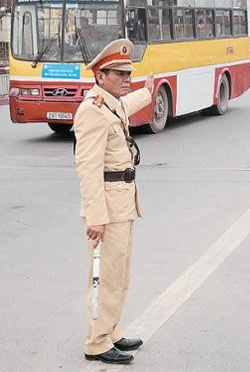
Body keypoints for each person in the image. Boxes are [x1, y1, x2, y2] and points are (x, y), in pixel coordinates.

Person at [74, 39, 154, 364]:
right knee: (104, 277)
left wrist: (148, 91)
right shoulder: (92, 111)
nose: (126, 78)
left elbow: (128, 104)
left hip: (123, 204)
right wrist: (95, 216)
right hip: (106, 209)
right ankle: (96, 342)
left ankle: (112, 330)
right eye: (118, 73)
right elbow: (88, 168)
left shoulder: (112, 103)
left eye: (128, 73)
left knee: (120, 274)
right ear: (99, 75)